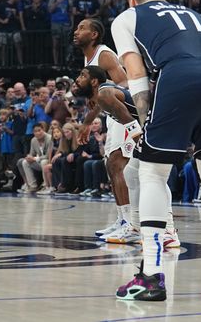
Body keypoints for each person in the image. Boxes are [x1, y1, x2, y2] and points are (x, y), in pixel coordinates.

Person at [111, 0, 201, 301]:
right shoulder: (193, 14)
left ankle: (152, 276)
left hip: (178, 77)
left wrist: (144, 119)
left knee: (151, 171)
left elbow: (136, 71)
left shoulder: (129, 16)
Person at [74, 18, 138, 244]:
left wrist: (104, 93)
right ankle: (123, 220)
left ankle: (131, 224)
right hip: (112, 116)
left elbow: (125, 83)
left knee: (117, 165)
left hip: (124, 113)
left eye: (82, 28)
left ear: (94, 35)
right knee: (111, 167)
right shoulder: (88, 58)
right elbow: (98, 97)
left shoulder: (104, 54)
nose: (76, 31)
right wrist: (87, 123)